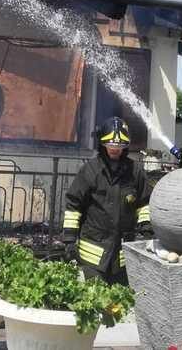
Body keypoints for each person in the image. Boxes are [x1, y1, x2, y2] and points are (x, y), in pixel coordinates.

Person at [61, 116, 152, 284]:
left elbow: (144, 204)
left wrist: (146, 230)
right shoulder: (90, 170)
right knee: (93, 301)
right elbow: (74, 206)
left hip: (122, 257)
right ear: (102, 144)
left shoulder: (136, 172)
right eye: (110, 145)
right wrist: (69, 241)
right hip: (92, 256)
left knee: (119, 304)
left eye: (119, 145)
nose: (115, 149)